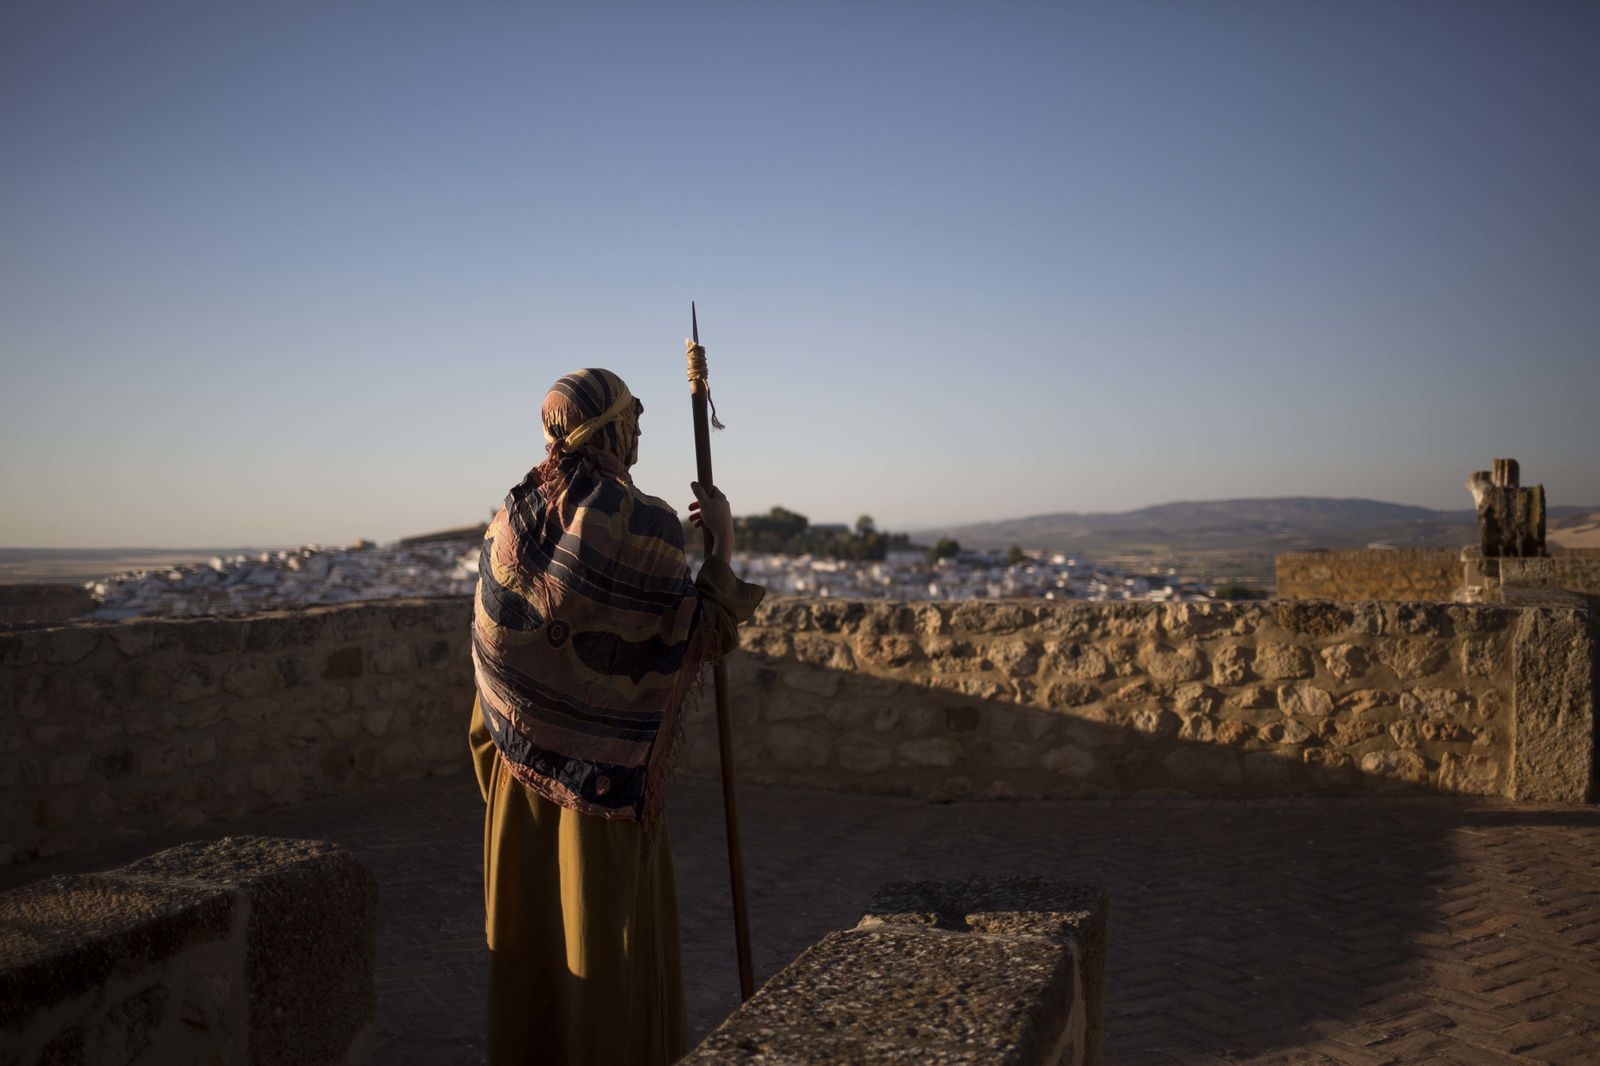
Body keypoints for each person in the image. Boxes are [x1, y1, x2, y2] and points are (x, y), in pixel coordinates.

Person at [467, 366, 764, 1065]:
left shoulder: (511, 517)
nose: (641, 427)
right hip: (607, 794)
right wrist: (722, 543)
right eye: (632, 415)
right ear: (609, 429)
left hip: (515, 787)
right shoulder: (647, 524)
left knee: (532, 953)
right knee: (611, 956)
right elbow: (700, 635)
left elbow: (493, 658)